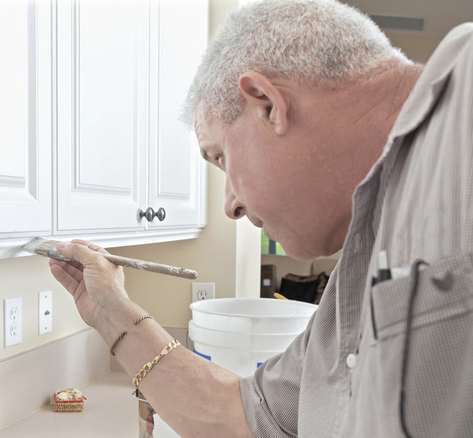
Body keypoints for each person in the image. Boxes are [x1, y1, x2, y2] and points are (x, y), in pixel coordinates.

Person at [47, 0, 473, 436]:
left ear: (267, 105)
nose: (230, 205)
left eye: (220, 157)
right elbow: (245, 417)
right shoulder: (353, 277)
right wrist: (109, 311)